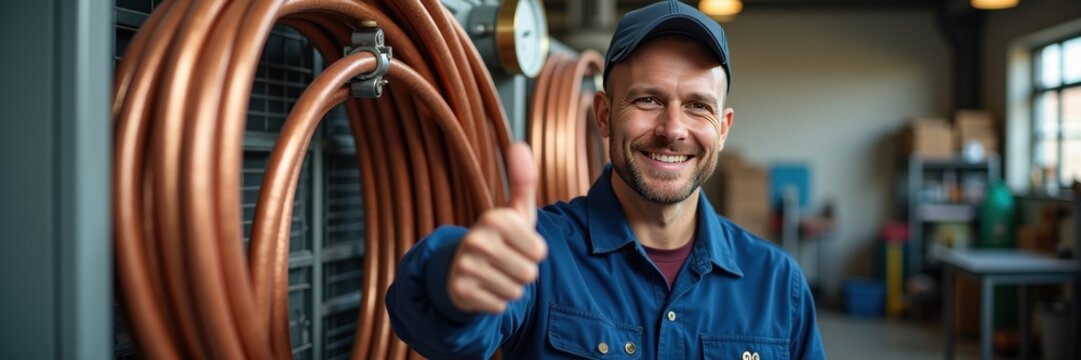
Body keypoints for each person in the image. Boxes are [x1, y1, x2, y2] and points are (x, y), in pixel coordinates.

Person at [386, 1, 826, 358]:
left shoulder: (776, 283)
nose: (673, 130)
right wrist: (451, 280)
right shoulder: (538, 254)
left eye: (697, 106)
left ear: (723, 128)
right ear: (603, 116)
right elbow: (436, 330)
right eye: (649, 100)